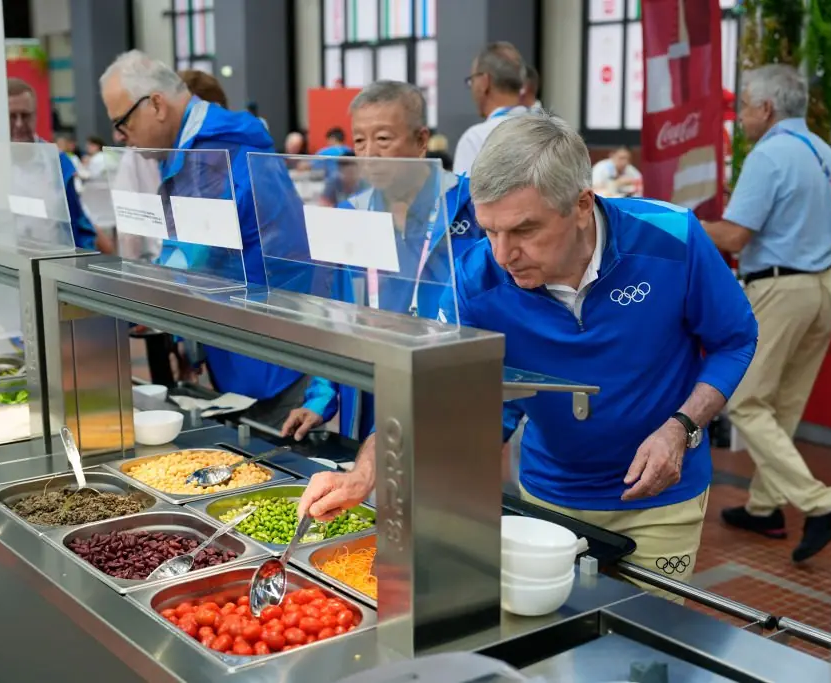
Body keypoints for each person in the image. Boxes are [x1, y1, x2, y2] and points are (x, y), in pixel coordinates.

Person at [299, 113, 758, 595]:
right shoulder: (474, 279)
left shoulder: (673, 238)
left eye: (523, 231)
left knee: (643, 653)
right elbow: (428, 389)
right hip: (548, 497)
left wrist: (680, 427)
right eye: (490, 231)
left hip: (663, 499)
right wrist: (365, 473)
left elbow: (735, 339)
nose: (503, 254)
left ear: (582, 205)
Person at [99, 50, 308, 428]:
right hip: (242, 335)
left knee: (271, 460)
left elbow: (191, 256)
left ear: (156, 105)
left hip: (268, 345)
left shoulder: (212, 153)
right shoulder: (193, 149)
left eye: (122, 122)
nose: (120, 136)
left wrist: (128, 298)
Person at [701, 64, 831, 562]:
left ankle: (822, 503)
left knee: (744, 400)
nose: (741, 114)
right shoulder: (830, 157)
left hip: (780, 289)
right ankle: (766, 508)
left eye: (744, 104)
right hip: (823, 291)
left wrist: (677, 220)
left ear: (766, 108)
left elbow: (733, 237)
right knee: (783, 406)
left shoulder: (769, 156)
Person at [281, 81, 482, 444]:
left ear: (421, 141)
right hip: (371, 389)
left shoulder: (470, 207)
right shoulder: (351, 214)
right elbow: (335, 315)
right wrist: (321, 397)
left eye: (384, 139)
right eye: (360, 141)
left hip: (448, 387)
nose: (370, 153)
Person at [7, 78, 111, 253]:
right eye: (12, 116)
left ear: (35, 115)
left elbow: (78, 223)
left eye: (25, 115)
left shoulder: (57, 162)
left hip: (53, 264)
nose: (19, 124)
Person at [453, 42, 529, 176]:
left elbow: (462, 196)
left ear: (484, 82)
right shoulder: (551, 131)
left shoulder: (475, 139)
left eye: (472, 80)